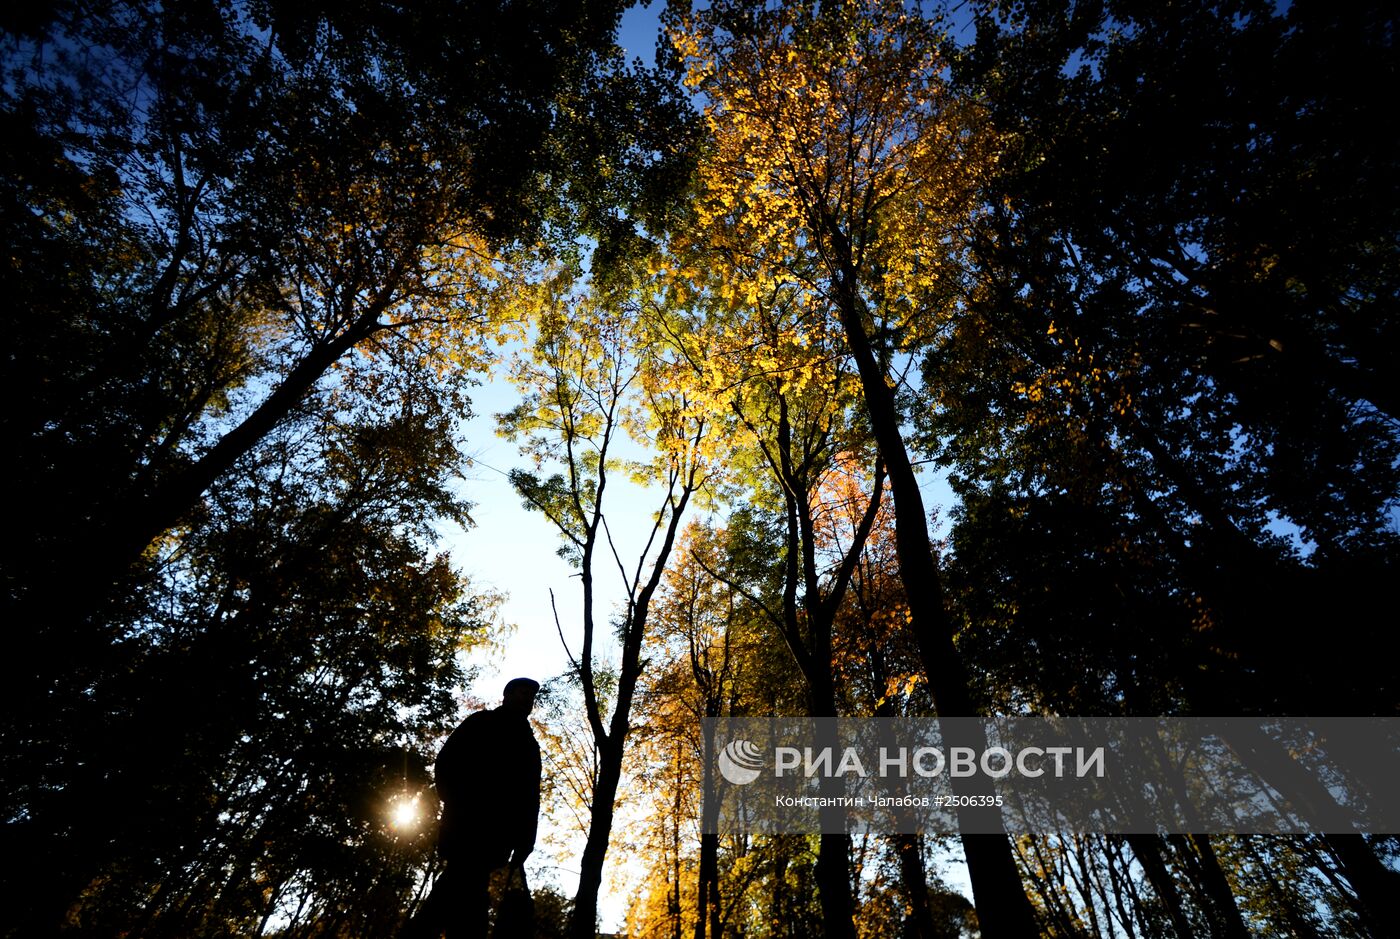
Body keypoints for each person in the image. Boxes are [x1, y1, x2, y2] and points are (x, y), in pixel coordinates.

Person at [403, 678, 541, 939]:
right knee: (465, 890)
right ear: (507, 695)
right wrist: (456, 800)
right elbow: (446, 762)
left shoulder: (530, 746)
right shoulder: (481, 723)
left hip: (496, 836)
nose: (527, 700)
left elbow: (530, 796)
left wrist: (526, 840)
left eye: (531, 697)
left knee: (466, 893)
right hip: (465, 827)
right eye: (523, 694)